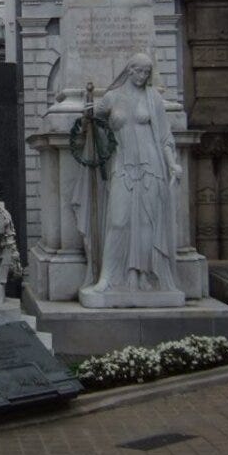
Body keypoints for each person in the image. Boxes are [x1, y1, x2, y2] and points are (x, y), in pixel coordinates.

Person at [82, 53, 182, 297]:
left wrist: (172, 164)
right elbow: (92, 121)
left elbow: (165, 137)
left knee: (147, 223)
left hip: (151, 167)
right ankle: (107, 277)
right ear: (129, 70)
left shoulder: (153, 98)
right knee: (117, 221)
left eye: (147, 72)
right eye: (139, 71)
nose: (143, 76)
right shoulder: (112, 97)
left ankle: (141, 275)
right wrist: (87, 115)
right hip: (123, 166)